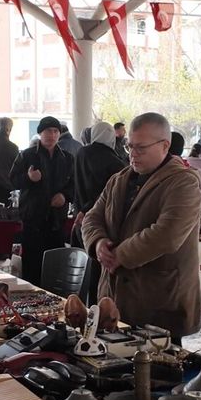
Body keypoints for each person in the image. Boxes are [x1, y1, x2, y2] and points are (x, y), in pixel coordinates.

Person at [82, 112, 201, 342]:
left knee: (157, 372)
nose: (133, 155)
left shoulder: (184, 181)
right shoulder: (119, 179)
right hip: (114, 296)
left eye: (141, 148)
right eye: (129, 147)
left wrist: (119, 255)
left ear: (164, 145)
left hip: (160, 301)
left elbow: (167, 234)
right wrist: (97, 243)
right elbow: (91, 217)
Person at [10, 116, 74, 285]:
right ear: (40, 133)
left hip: (57, 221)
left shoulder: (67, 158)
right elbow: (12, 180)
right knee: (32, 266)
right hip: (33, 220)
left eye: (55, 131)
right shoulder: (27, 155)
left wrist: (65, 196)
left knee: (55, 266)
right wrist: (29, 178)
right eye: (47, 131)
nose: (51, 135)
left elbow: (74, 185)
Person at [73, 121, 127, 302]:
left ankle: (85, 305)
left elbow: (77, 184)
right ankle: (99, 306)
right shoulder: (112, 160)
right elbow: (107, 194)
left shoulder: (81, 152)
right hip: (101, 219)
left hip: (82, 217)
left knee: (86, 263)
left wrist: (81, 210)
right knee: (99, 266)